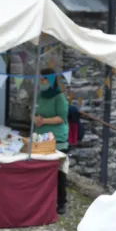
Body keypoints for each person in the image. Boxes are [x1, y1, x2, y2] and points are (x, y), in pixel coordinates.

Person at [33, 69, 70, 215]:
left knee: (59, 173)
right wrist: (34, 119)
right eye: (40, 79)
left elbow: (62, 117)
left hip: (57, 140)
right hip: (41, 138)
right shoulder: (40, 96)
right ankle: (42, 201)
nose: (42, 82)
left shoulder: (59, 97)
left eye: (44, 80)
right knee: (41, 171)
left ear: (51, 80)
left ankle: (61, 202)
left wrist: (44, 121)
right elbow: (34, 112)